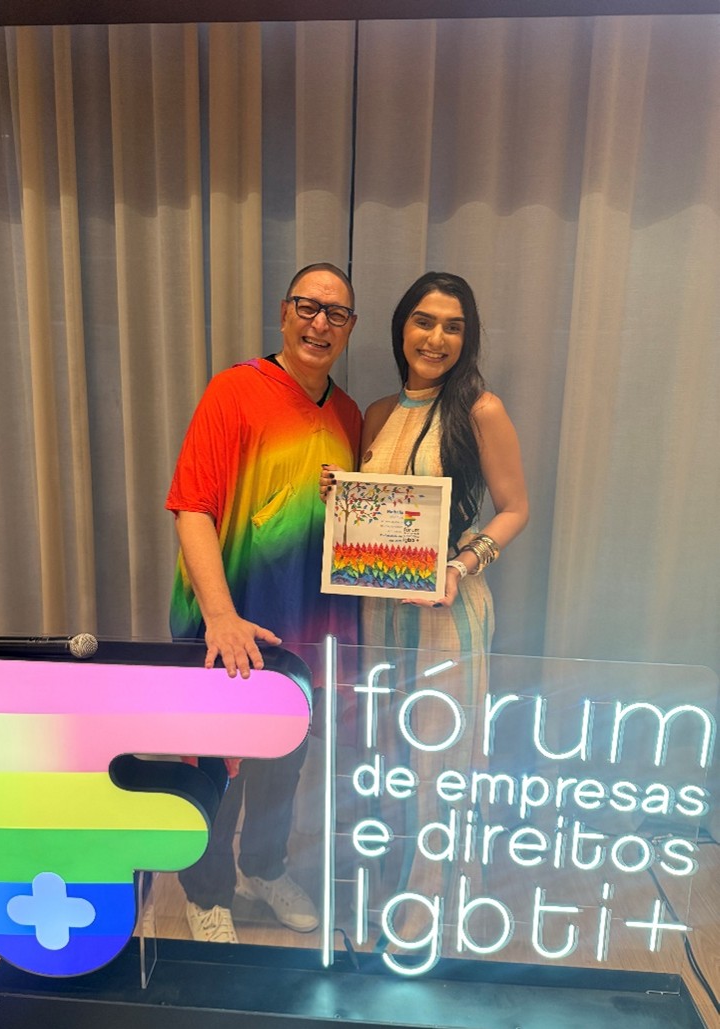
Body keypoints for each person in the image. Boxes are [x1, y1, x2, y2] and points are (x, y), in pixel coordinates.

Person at [321, 271, 528, 926]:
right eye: (424, 320)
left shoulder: (480, 410)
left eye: (453, 326)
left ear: (467, 338)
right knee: (387, 752)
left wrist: (462, 566)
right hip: (379, 608)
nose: (436, 337)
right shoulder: (379, 413)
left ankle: (432, 900)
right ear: (402, 327)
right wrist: (342, 497)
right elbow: (382, 514)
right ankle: (394, 885)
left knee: (441, 755)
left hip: (447, 609)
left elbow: (515, 508)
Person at [167, 263, 361, 944]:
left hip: (304, 624)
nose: (320, 323)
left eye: (336, 314)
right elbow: (191, 506)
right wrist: (219, 615)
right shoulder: (234, 390)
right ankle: (206, 890)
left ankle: (263, 867)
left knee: (284, 757)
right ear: (284, 313)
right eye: (308, 307)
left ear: (350, 329)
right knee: (213, 762)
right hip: (229, 617)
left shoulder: (348, 414)